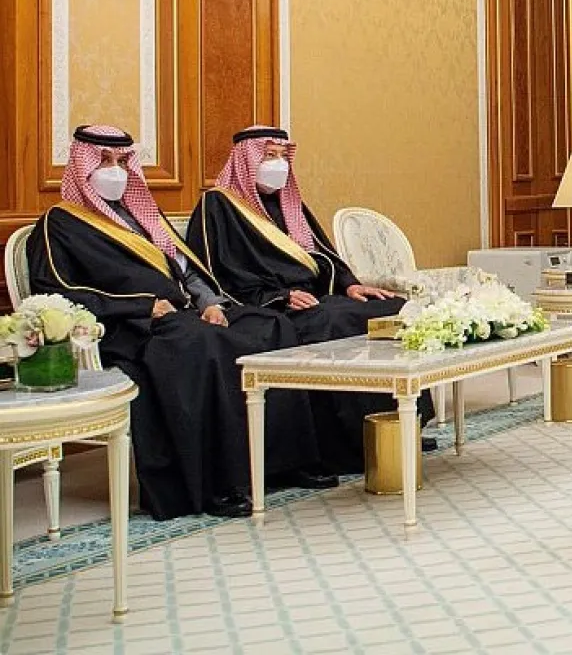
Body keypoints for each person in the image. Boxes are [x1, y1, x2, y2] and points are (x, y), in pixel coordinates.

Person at [28, 125, 337, 520]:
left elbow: (186, 270)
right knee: (201, 345)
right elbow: (58, 292)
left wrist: (210, 304)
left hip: (185, 315)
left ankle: (282, 462)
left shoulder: (142, 214)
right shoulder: (59, 224)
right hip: (130, 327)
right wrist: (143, 306)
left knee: (271, 327)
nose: (116, 171)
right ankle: (214, 483)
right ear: (82, 167)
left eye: (122, 161)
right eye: (104, 162)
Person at [187, 126, 430, 472]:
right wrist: (280, 296)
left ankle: (401, 424)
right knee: (333, 322)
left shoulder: (290, 203)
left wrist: (349, 284)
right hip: (270, 303)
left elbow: (322, 252)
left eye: (282, 157)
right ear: (246, 160)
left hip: (315, 295)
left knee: (392, 310)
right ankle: (350, 444)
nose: (278, 165)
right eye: (268, 156)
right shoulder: (218, 205)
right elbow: (218, 271)